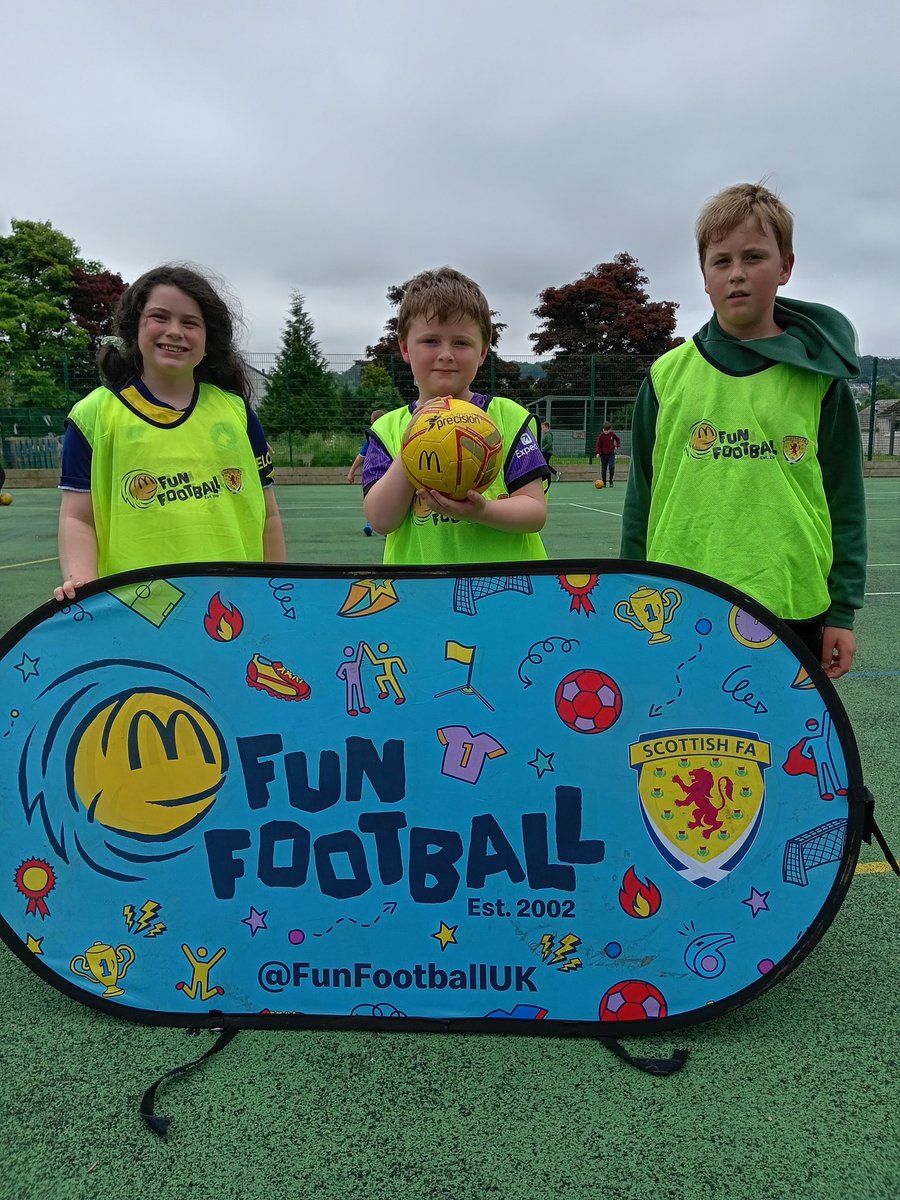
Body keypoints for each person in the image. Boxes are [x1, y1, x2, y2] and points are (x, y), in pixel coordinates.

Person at [620, 183, 866, 680]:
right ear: (704, 276)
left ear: (785, 267)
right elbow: (640, 495)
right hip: (680, 598)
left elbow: (845, 498)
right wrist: (630, 585)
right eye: (721, 260)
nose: (736, 274)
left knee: (779, 750)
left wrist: (842, 610)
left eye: (753, 257)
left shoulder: (821, 381)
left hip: (791, 596)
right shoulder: (667, 376)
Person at [55, 264, 286, 601]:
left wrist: (275, 586)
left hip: (238, 602)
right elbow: (78, 518)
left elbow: (269, 515)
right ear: (135, 329)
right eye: (159, 317)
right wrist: (83, 583)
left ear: (209, 339)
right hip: (139, 609)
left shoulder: (237, 413)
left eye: (190, 322)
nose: (175, 331)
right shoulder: (93, 416)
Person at [363, 267, 549, 564]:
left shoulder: (509, 418)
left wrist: (482, 512)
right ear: (404, 348)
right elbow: (382, 520)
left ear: (483, 351)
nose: (446, 353)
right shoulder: (388, 428)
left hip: (507, 594)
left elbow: (534, 512)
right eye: (430, 341)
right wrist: (415, 441)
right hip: (422, 595)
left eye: (461, 342)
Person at [347, 408, 386, 536]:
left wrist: (351, 471)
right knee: (388, 499)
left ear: (373, 422)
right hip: (389, 473)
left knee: (371, 499)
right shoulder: (393, 433)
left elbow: (361, 456)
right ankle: (389, 526)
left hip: (373, 473)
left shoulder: (373, 436)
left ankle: (370, 523)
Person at [594, 421, 621, 486]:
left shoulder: (612, 434)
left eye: (607, 430)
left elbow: (618, 439)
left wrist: (617, 446)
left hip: (611, 454)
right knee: (604, 469)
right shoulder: (601, 436)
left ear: (610, 429)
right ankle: (604, 483)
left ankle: (611, 481)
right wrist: (598, 453)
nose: (606, 431)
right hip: (603, 455)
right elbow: (598, 445)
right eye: (604, 430)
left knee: (611, 467)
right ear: (602, 429)